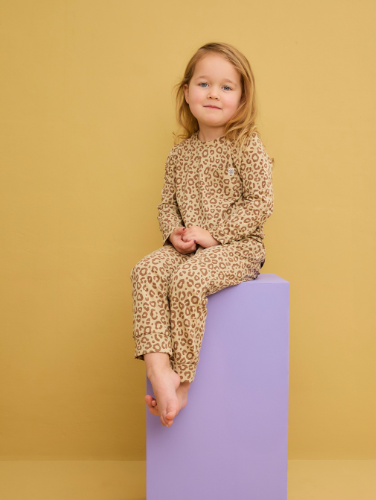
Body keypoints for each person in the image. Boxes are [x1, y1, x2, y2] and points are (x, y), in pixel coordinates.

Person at [130, 42, 274, 428]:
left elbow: (260, 202)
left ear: (242, 100)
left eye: (226, 87)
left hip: (237, 248)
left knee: (187, 279)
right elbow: (167, 205)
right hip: (188, 247)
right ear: (187, 92)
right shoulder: (179, 155)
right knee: (146, 270)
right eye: (204, 84)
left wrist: (216, 235)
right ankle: (159, 369)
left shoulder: (246, 145)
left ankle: (182, 380)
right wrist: (174, 233)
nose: (213, 93)